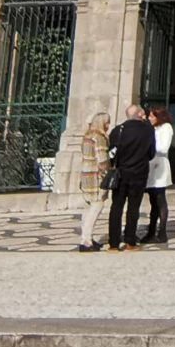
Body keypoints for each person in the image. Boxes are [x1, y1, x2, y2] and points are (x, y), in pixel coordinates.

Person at [105, 102, 155, 251]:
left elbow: (111, 153)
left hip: (121, 173)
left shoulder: (117, 130)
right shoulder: (148, 130)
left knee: (116, 207)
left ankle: (113, 242)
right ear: (140, 114)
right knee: (134, 207)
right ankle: (130, 241)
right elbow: (151, 153)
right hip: (139, 173)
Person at [73, 104, 111, 252]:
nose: (108, 125)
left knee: (88, 207)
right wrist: (108, 171)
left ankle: (86, 237)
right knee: (97, 206)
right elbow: (102, 160)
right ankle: (86, 240)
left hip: (86, 174)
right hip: (96, 176)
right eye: (107, 122)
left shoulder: (87, 136)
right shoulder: (99, 138)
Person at [141, 104, 175, 244]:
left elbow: (163, 147)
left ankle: (162, 231)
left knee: (160, 199)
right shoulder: (152, 128)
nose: (149, 118)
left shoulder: (166, 128)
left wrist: (148, 147)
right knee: (152, 201)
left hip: (159, 166)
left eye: (151, 116)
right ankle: (151, 230)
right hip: (150, 165)